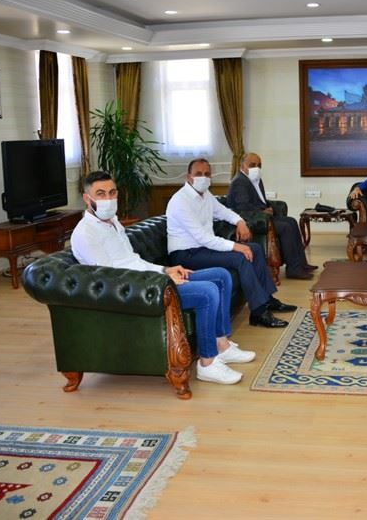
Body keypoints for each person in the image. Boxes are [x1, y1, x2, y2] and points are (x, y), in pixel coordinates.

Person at [71, 171, 255, 385]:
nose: (108, 199)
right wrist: (161, 282)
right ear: (87, 198)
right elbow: (112, 279)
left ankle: (221, 345)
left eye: (112, 192)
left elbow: (133, 261)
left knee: (221, 277)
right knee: (207, 292)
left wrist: (165, 270)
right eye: (101, 194)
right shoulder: (86, 233)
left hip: (147, 279)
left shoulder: (113, 223)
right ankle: (207, 364)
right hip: (136, 292)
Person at [166, 158, 296, 328]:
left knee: (255, 249)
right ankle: (258, 313)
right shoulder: (180, 201)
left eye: (207, 174)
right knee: (241, 257)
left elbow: (224, 212)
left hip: (203, 249)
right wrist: (236, 246)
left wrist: (240, 222)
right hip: (186, 254)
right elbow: (202, 237)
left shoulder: (206, 195)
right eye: (198, 174)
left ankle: (267, 300)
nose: (203, 178)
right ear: (188, 177)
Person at [227, 152, 317, 280]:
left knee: (291, 221)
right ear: (242, 166)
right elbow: (243, 207)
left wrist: (269, 207)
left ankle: (301, 264)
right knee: (286, 227)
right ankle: (293, 269)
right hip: (251, 219)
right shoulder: (240, 182)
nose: (256, 168)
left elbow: (261, 201)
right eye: (252, 165)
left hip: (262, 216)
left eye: (259, 165)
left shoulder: (256, 179)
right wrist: (262, 211)